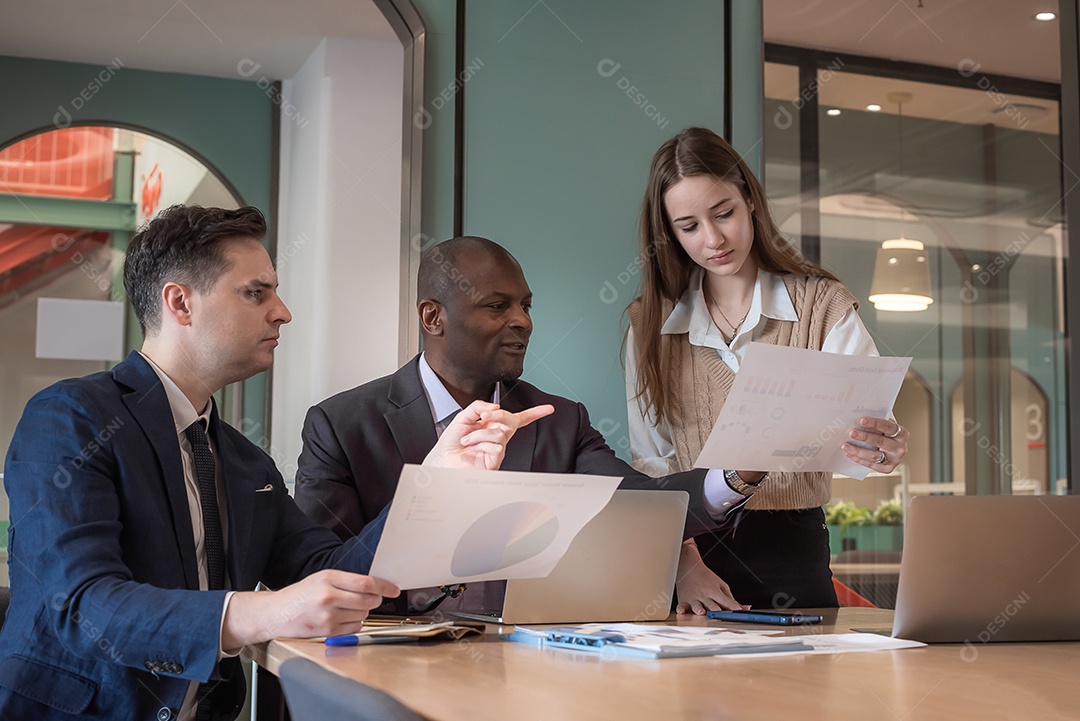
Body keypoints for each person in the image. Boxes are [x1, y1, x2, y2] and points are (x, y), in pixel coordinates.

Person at [0, 206, 545, 721]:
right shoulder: (71, 417)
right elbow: (79, 606)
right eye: (255, 293)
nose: (282, 312)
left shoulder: (243, 462)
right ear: (181, 304)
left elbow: (331, 573)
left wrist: (436, 480)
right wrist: (268, 612)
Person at [294, 236, 756, 613]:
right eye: (497, 306)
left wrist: (738, 474)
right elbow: (320, 574)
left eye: (526, 306)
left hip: (525, 669)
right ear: (433, 317)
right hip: (385, 668)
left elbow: (646, 506)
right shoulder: (340, 426)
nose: (522, 321)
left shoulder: (560, 421)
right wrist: (430, 491)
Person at [626, 127, 910, 613]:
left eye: (724, 213)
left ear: (750, 201)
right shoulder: (650, 327)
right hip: (691, 562)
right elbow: (652, 467)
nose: (713, 239)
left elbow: (864, 439)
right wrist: (686, 566)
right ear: (669, 234)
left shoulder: (825, 306)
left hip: (795, 552)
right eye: (689, 226)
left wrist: (885, 449)